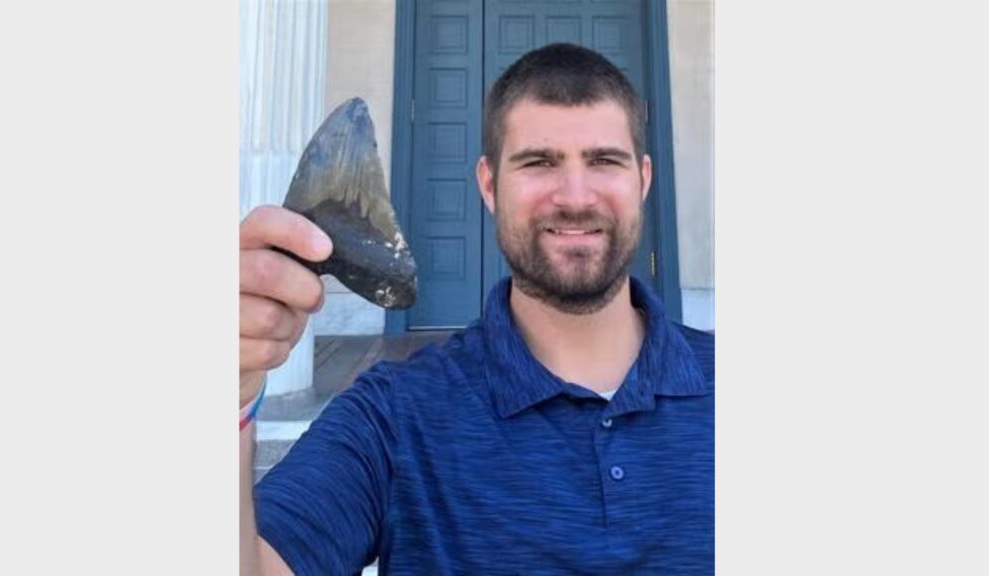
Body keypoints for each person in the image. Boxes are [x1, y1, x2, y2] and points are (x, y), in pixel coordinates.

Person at [239, 43, 714, 575]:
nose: (576, 196)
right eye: (539, 162)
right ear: (489, 185)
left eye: (604, 161)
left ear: (643, 180)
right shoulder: (394, 415)